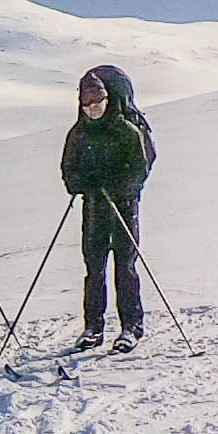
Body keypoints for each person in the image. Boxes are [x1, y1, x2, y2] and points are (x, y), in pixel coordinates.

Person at [61, 64, 156, 350]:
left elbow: (141, 165)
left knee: (125, 266)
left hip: (123, 205)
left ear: (108, 99)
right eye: (87, 103)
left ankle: (131, 326)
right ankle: (93, 327)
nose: (92, 108)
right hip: (93, 207)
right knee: (94, 267)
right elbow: (68, 168)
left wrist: (119, 185)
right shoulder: (79, 133)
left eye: (97, 102)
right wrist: (81, 183)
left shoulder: (126, 129)